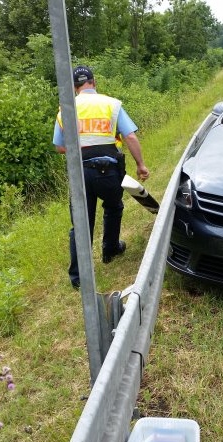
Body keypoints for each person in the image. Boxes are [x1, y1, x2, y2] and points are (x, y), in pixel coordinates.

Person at [53, 65, 150, 289]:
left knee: (81, 222)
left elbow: (59, 146)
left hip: (80, 174)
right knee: (113, 207)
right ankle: (110, 250)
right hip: (109, 170)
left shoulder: (65, 109)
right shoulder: (111, 104)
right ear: (94, 83)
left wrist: (82, 149)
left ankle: (78, 277)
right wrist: (141, 165)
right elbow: (130, 137)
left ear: (75, 87)